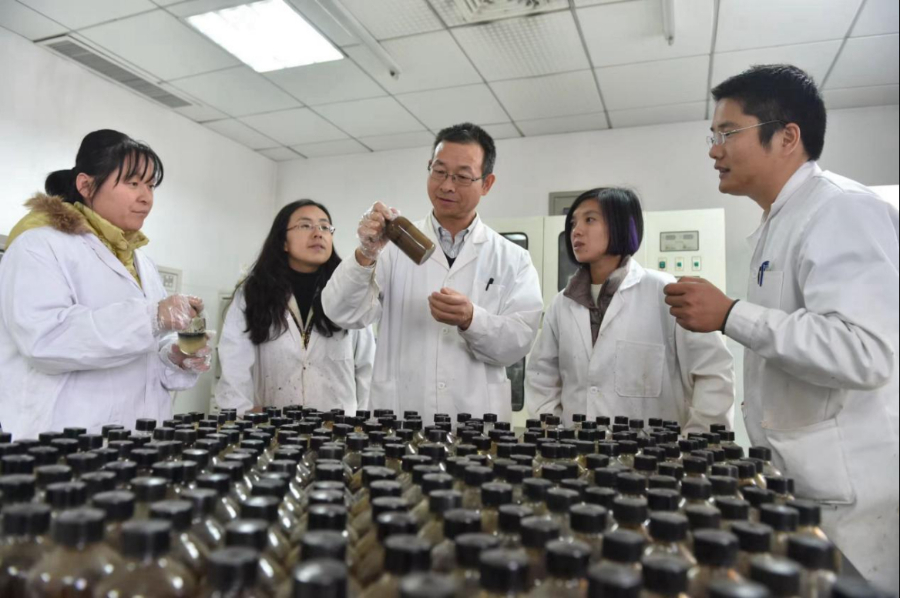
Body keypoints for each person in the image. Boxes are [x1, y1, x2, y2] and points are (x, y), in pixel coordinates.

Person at [663, 64, 899, 592]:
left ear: (787, 137)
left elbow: (865, 351)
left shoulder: (842, 208)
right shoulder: (780, 222)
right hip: (804, 485)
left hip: (852, 503)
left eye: (728, 133)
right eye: (713, 135)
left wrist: (730, 314)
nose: (714, 151)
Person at [322, 123, 544, 424]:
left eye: (462, 176)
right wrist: (366, 253)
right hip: (401, 415)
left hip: (476, 419)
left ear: (487, 183)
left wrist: (472, 319)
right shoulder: (391, 246)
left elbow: (519, 341)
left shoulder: (513, 258)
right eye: (439, 171)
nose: (447, 186)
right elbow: (340, 312)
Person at [0, 129, 208, 440]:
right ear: (85, 185)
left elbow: (146, 353)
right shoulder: (38, 246)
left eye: (150, 185)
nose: (146, 197)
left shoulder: (142, 263)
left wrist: (175, 356)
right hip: (64, 441)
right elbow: (46, 341)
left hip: (139, 440)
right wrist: (151, 317)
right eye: (133, 183)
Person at [526, 187, 735, 432]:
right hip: (576, 449)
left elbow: (713, 373)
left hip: (654, 451)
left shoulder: (667, 293)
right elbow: (541, 378)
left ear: (621, 225)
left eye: (590, 220)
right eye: (573, 223)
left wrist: (696, 440)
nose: (576, 231)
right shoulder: (562, 304)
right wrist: (553, 434)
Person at [215, 200, 375, 415]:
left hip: (339, 427)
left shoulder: (350, 291)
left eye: (325, 227)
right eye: (305, 225)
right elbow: (235, 362)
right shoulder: (253, 293)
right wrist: (241, 413)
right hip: (273, 426)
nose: (318, 233)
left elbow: (367, 366)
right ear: (284, 241)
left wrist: (365, 422)